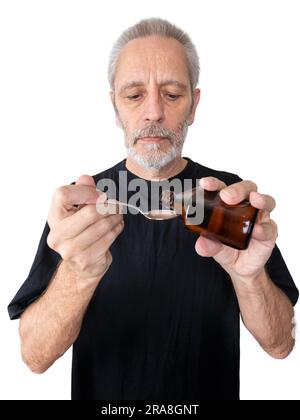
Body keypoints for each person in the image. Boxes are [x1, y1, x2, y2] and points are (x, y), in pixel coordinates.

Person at [8, 18, 298, 401]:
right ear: (115, 107)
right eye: (134, 96)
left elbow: (280, 345)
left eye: (172, 94)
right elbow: (34, 357)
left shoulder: (227, 201)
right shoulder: (84, 204)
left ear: (194, 105)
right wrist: (78, 275)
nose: (154, 112)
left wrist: (249, 277)